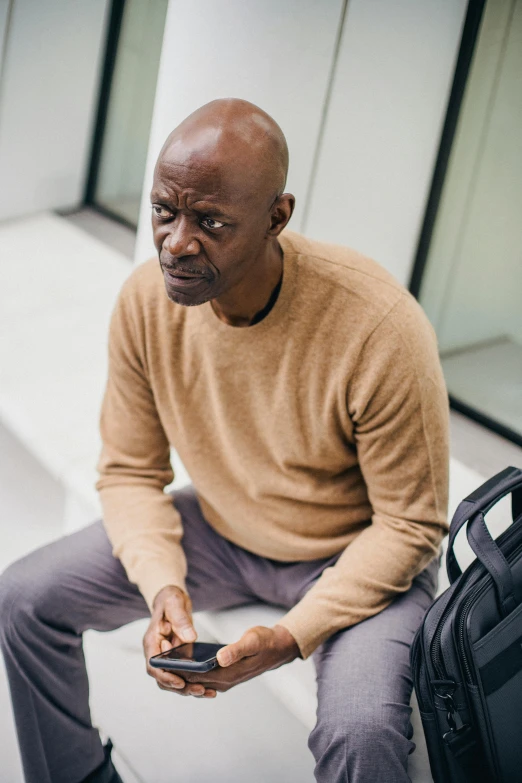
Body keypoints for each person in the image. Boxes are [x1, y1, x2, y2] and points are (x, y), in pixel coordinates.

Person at [0, 98, 449, 783]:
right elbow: (127, 471)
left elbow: (412, 525)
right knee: (24, 599)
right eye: (164, 211)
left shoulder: (378, 324)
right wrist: (163, 586)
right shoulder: (146, 302)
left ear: (278, 216)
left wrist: (292, 636)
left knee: (360, 731)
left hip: (357, 556)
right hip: (222, 524)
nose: (177, 242)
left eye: (211, 222)